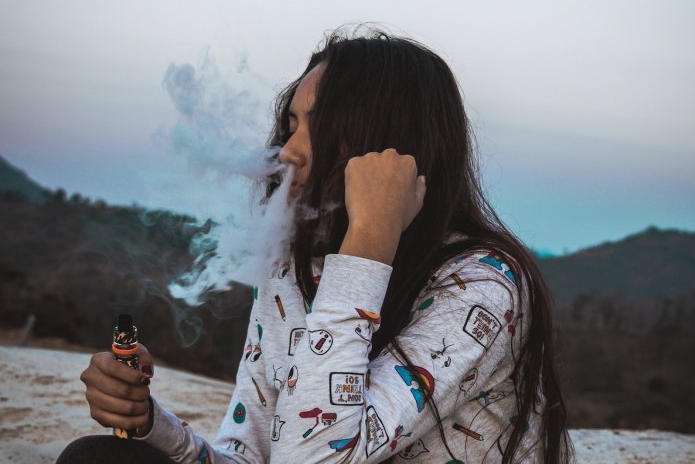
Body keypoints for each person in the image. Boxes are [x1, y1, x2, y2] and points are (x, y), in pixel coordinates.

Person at [59, 29, 571, 463]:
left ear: (387, 149)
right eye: (290, 126)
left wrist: (369, 243)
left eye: (319, 127)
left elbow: (313, 457)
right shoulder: (294, 269)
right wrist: (151, 425)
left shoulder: (484, 283)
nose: (288, 151)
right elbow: (254, 454)